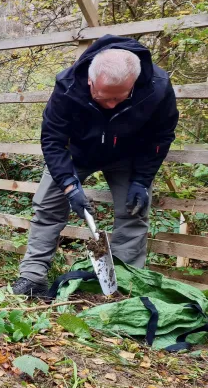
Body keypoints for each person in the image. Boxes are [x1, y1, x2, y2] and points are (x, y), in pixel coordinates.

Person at [13, 35, 179, 298]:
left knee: (134, 212)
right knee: (48, 205)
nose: (111, 105)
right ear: (90, 81)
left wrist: (141, 180)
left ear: (133, 84)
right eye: (103, 98)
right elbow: (53, 139)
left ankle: (123, 286)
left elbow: (161, 137)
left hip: (128, 155)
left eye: (119, 99)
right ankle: (32, 278)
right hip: (78, 152)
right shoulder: (67, 85)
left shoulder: (157, 88)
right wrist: (68, 184)